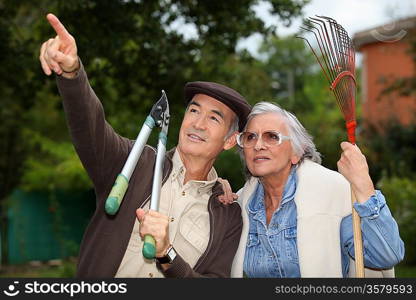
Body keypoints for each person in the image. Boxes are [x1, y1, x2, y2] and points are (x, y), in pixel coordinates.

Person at [39, 13, 251, 278]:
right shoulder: (133, 161)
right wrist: (72, 73)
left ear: (230, 140)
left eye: (213, 118)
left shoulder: (228, 213)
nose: (198, 123)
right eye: (194, 111)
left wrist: (167, 253)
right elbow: (89, 127)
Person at [222, 101, 404, 278]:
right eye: (250, 137)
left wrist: (364, 187)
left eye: (272, 136)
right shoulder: (239, 204)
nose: (258, 145)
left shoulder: (333, 192)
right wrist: (214, 191)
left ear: (296, 152)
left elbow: (386, 256)